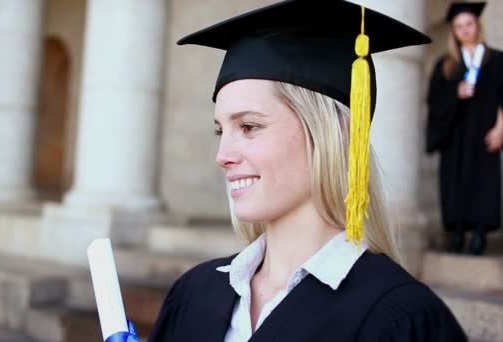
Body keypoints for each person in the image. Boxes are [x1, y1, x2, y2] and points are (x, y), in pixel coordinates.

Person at [148, 1, 467, 341]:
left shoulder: (402, 318)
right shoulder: (194, 293)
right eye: (219, 130)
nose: (222, 155)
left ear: (326, 133)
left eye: (249, 126)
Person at [426, 1, 503, 255]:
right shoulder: (447, 65)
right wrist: (454, 93)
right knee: (455, 180)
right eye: (459, 27)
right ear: (454, 32)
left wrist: (500, 129)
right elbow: (434, 100)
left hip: (485, 132)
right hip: (456, 135)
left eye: (469, 24)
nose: (465, 30)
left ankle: (479, 234)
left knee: (484, 181)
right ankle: (457, 233)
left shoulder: (497, 60)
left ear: (477, 25)